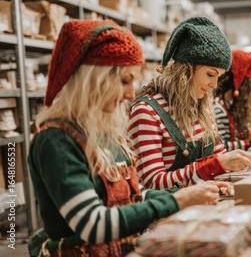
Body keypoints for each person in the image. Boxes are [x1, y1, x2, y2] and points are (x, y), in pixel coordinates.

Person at [27, 20, 229, 256]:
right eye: (124, 81)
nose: (131, 93)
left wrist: (186, 194)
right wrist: (176, 202)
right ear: (92, 79)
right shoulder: (55, 141)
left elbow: (134, 196)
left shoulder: (103, 135)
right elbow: (94, 224)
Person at [128, 17, 251, 190]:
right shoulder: (146, 112)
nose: (214, 85)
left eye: (219, 77)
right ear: (185, 70)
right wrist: (214, 167)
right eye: (210, 74)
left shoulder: (203, 107)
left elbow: (219, 158)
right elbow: (152, 183)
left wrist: (226, 173)